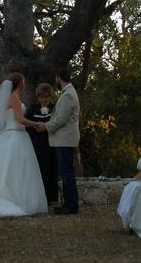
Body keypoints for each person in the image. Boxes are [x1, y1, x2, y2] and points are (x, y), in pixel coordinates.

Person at [0, 72, 47, 216]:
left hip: (9, 135)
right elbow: (20, 120)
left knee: (7, 168)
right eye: (23, 81)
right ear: (20, 83)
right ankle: (15, 199)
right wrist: (36, 123)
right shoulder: (14, 98)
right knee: (19, 169)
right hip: (16, 135)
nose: (24, 84)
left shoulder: (8, 98)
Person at [40, 68, 81, 215]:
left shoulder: (68, 95)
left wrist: (45, 126)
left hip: (65, 140)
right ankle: (69, 203)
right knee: (66, 172)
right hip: (65, 139)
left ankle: (71, 205)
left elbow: (62, 119)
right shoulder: (68, 93)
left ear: (59, 78)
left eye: (56, 78)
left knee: (66, 173)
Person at [25, 82, 58, 205]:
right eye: (41, 97)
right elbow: (27, 124)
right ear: (38, 97)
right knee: (39, 170)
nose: (44, 99)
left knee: (51, 170)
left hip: (52, 144)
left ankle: (52, 198)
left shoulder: (55, 108)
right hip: (37, 144)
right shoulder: (33, 108)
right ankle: (40, 198)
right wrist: (35, 126)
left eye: (46, 97)